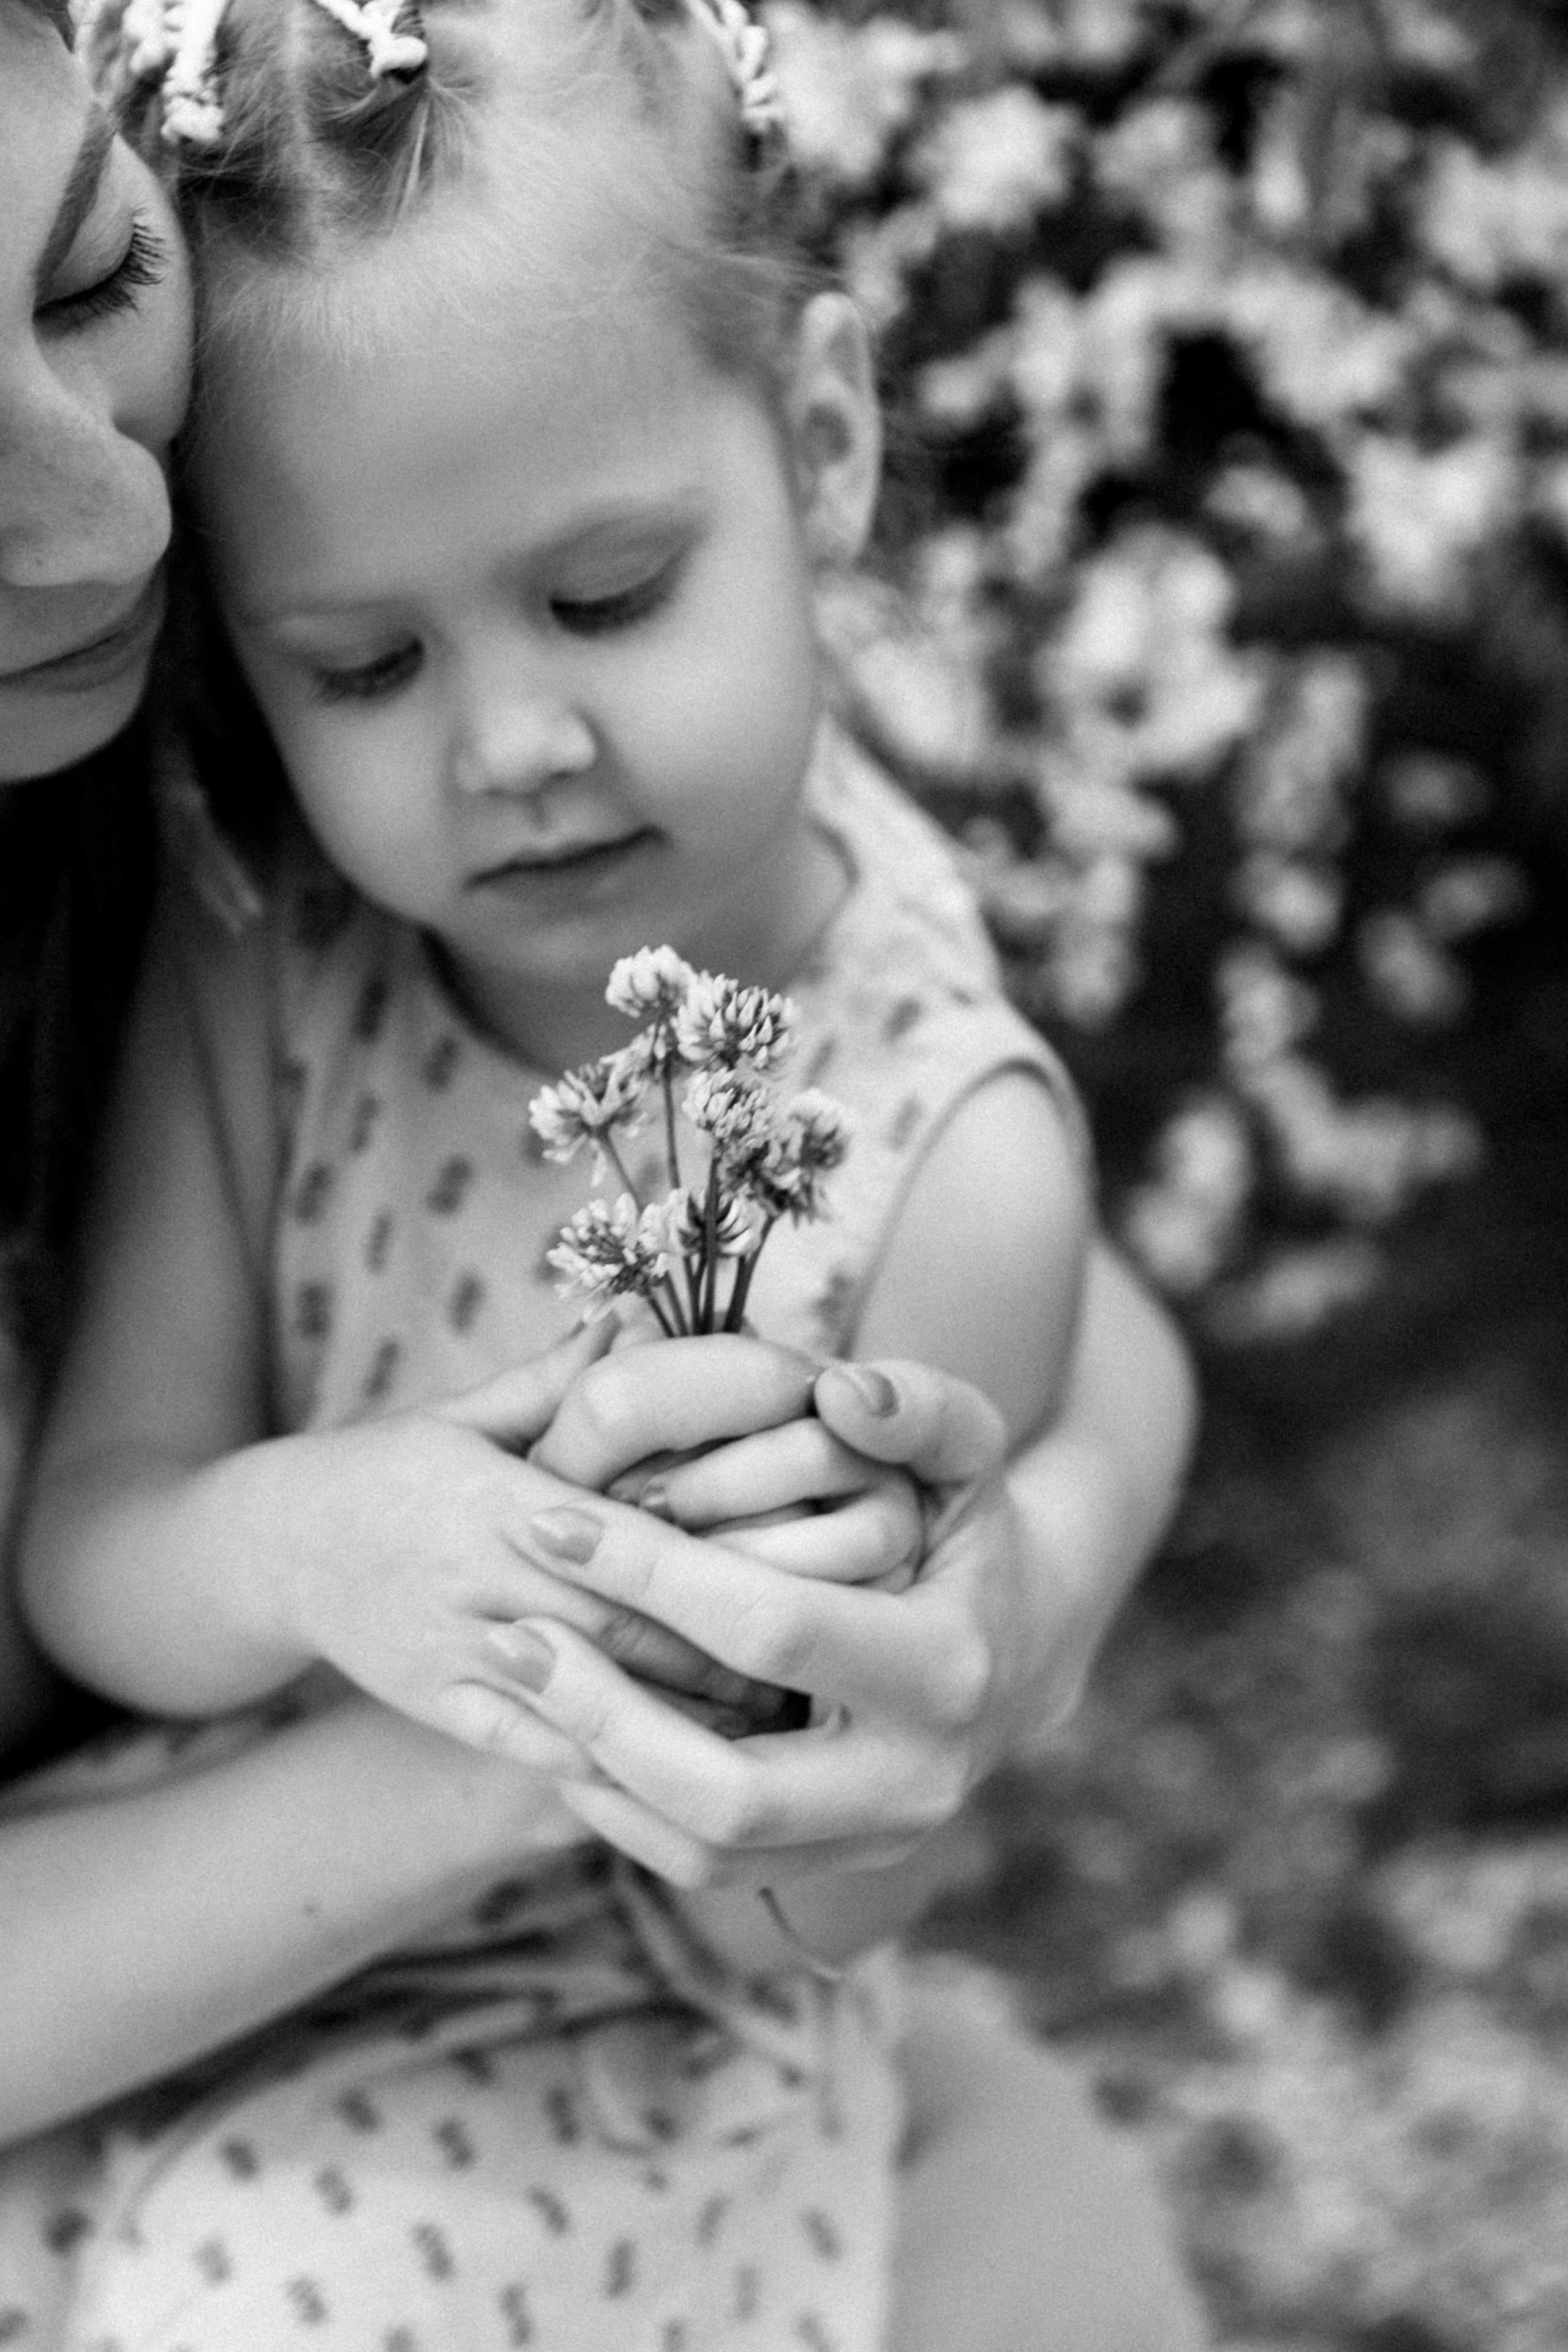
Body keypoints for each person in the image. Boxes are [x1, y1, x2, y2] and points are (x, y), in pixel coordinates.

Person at [0, 2, 1206, 2345]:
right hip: (146, 1921)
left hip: (588, 2067)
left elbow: (837, 1867)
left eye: (609, 597)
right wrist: (315, 1535)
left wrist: (880, 1660)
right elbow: (102, 1551)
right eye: (359, 668)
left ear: (828, 443)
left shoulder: (946, 1145)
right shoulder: (287, 956)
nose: (517, 748)